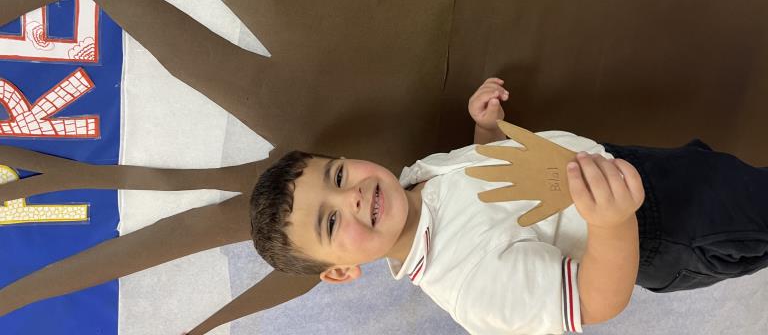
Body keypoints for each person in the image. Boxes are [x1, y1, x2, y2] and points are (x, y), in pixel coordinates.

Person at [250, 78, 768, 334]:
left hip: (630, 167)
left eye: (339, 176)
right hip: (662, 229)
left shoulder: (418, 177)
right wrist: (612, 223)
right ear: (340, 272)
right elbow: (593, 302)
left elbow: (491, 181)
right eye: (332, 220)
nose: (353, 196)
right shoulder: (467, 284)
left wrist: (488, 131)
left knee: (728, 173)